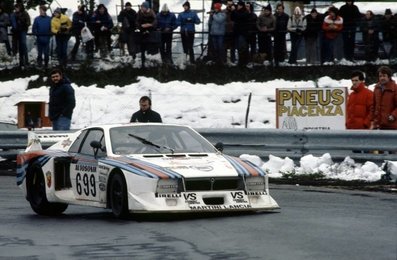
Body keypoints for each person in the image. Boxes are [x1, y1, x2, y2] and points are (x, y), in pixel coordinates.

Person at [370, 66, 397, 130]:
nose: (382, 78)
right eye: (380, 76)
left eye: (384, 76)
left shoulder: (395, 89)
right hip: (378, 125)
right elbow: (373, 106)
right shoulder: (376, 88)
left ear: (389, 77)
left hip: (391, 126)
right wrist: (372, 120)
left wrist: (393, 115)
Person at [136, 1, 157, 68]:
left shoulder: (151, 12)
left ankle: (151, 62)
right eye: (142, 7)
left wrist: (150, 25)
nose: (142, 8)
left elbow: (155, 21)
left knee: (150, 46)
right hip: (142, 31)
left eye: (143, 7)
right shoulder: (139, 12)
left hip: (150, 31)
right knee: (142, 48)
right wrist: (141, 26)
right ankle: (143, 62)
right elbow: (136, 21)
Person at [10, 3, 30, 68]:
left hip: (23, 31)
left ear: (20, 7)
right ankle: (21, 62)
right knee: (18, 46)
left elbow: (28, 22)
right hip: (16, 32)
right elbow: (11, 23)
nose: (16, 9)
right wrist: (13, 28)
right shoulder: (13, 15)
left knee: (23, 45)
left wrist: (23, 23)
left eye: (17, 7)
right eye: (15, 8)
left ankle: (26, 61)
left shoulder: (25, 13)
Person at [231, 1, 250, 66]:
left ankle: (244, 62)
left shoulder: (245, 12)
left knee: (242, 48)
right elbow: (232, 18)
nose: (237, 6)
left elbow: (240, 17)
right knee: (239, 47)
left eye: (238, 5)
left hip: (242, 33)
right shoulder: (237, 11)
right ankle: (240, 61)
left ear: (241, 6)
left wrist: (234, 11)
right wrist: (233, 11)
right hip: (237, 32)